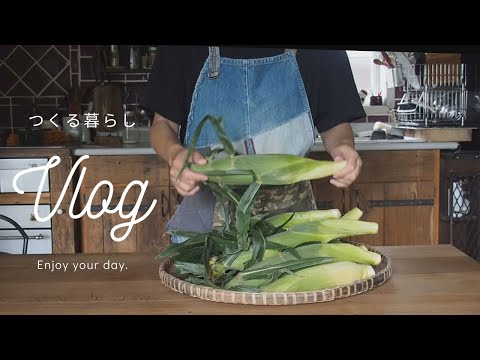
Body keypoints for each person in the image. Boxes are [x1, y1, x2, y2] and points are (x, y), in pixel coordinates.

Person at [140, 46, 366, 242]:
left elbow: (336, 124)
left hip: (291, 230)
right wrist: (175, 154)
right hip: (206, 235)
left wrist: (343, 148)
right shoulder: (180, 51)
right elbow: (163, 125)